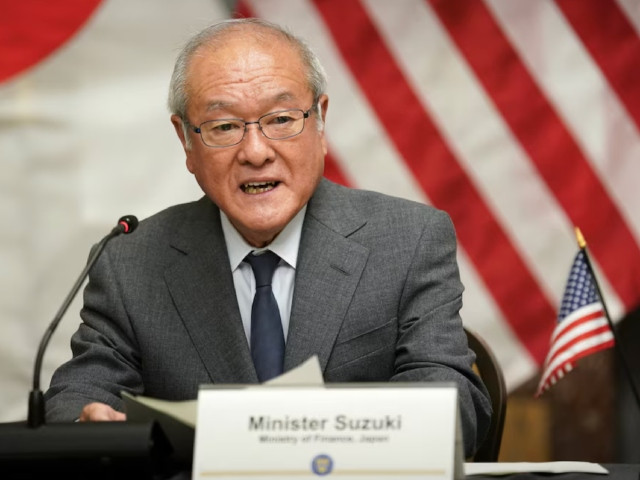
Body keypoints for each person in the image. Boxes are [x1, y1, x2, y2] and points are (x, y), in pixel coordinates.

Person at [44, 17, 491, 457]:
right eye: (224, 127)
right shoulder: (131, 262)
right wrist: (89, 424)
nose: (256, 152)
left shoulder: (408, 241)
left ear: (320, 122)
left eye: (280, 119)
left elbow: (453, 403)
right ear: (185, 141)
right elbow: (74, 398)